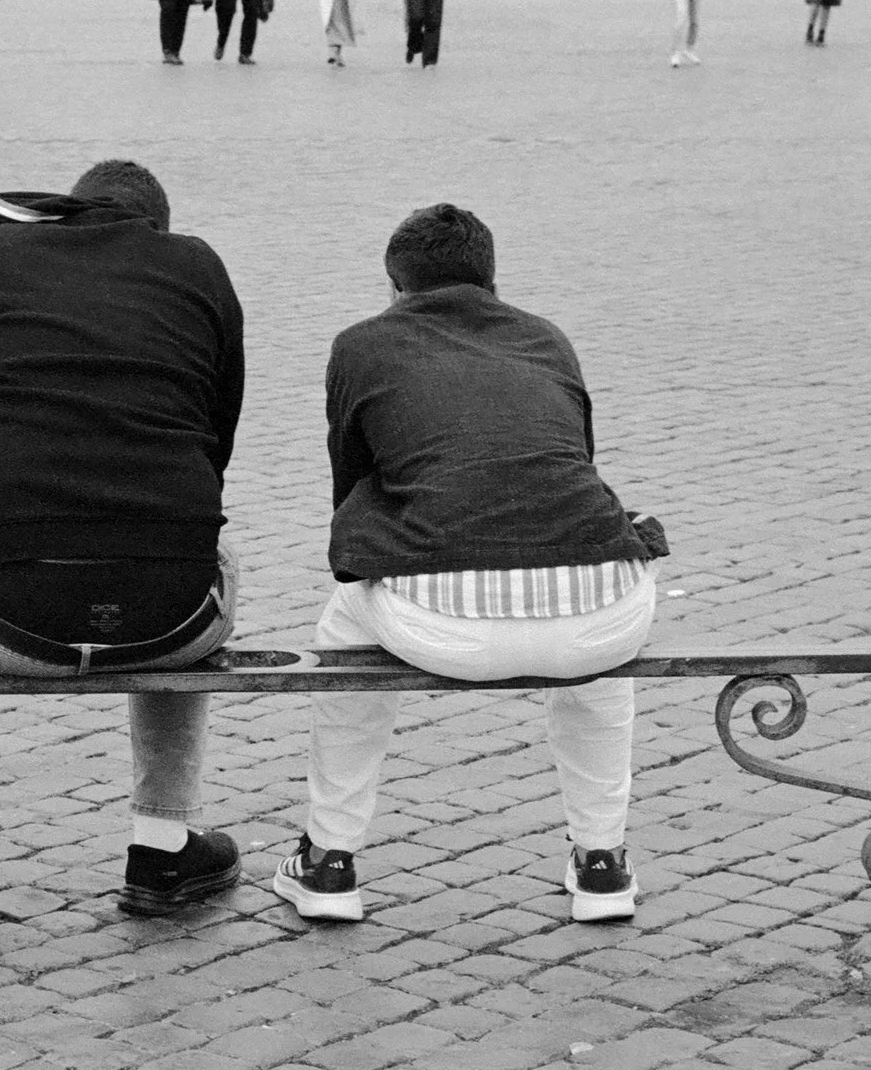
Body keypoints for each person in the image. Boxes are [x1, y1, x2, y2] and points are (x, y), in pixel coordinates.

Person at [0, 161, 247, 921]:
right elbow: (214, 450)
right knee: (186, 543)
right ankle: (163, 845)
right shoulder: (197, 269)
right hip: (173, 619)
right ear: (155, 232)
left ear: (66, 211)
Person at [274, 205, 666, 926]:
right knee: (603, 634)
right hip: (598, 619)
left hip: (440, 625)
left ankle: (329, 859)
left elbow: (349, 482)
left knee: (345, 633)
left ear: (395, 286)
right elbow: (574, 459)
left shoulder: (361, 344)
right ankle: (602, 860)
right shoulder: (547, 336)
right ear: (492, 281)